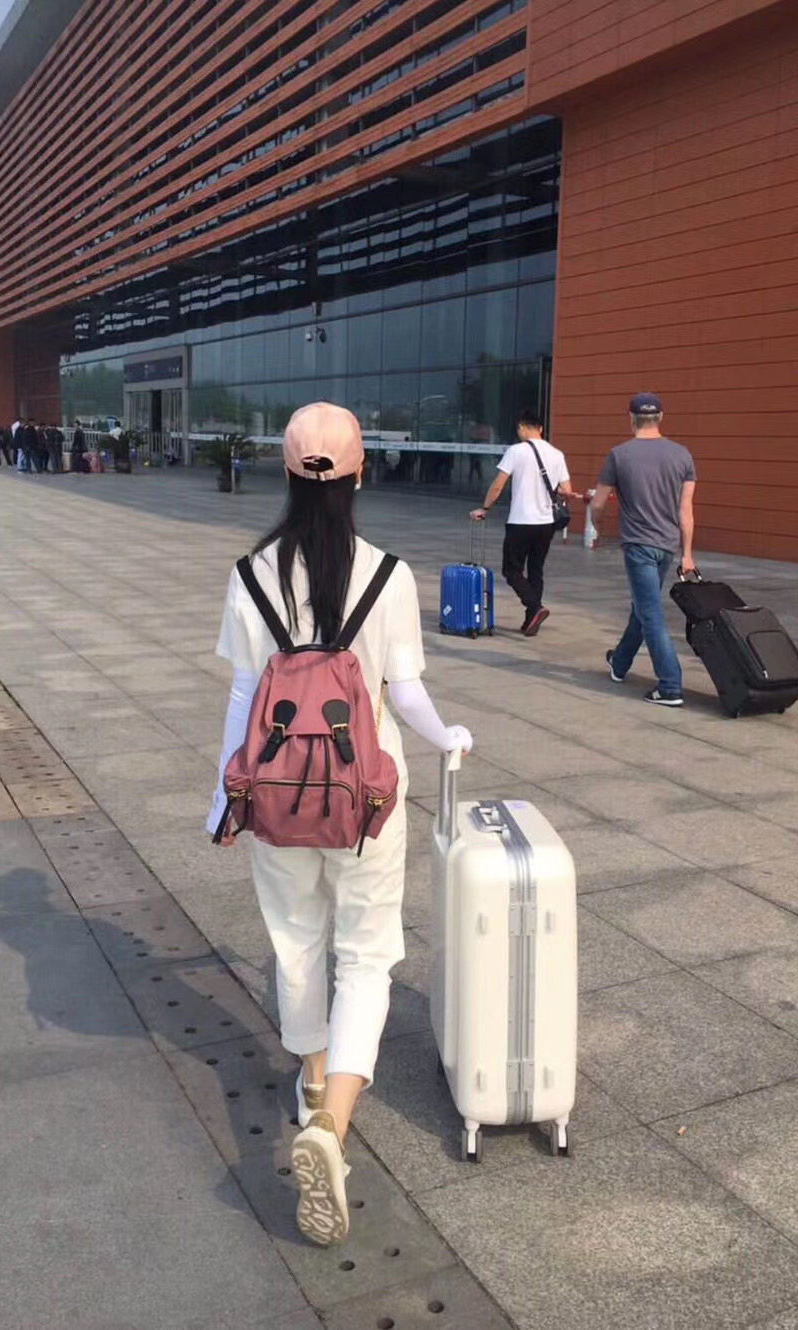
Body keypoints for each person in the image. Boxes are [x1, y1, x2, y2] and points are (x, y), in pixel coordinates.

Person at [206, 403, 471, 1247]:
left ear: (286, 473)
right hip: (365, 803)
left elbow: (244, 698)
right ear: (360, 473)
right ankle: (334, 1124)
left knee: (295, 944)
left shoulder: (249, 575)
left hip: (277, 801)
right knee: (365, 953)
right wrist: (448, 737)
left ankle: (314, 1080)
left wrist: (224, 798)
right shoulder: (389, 575)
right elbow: (407, 693)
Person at [589, 393, 697, 707]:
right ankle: (619, 663)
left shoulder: (619, 454)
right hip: (667, 546)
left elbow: (597, 503)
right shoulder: (682, 455)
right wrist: (687, 554)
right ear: (660, 418)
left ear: (631, 418)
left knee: (650, 613)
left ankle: (670, 686)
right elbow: (686, 510)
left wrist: (598, 525)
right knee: (643, 606)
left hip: (639, 546)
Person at [469, 408, 577, 636]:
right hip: (546, 523)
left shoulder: (516, 451)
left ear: (521, 428)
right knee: (536, 570)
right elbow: (567, 490)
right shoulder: (557, 454)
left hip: (520, 521)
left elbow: (498, 485)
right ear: (541, 429)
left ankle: (535, 607)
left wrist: (484, 508)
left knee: (511, 570)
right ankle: (531, 621)